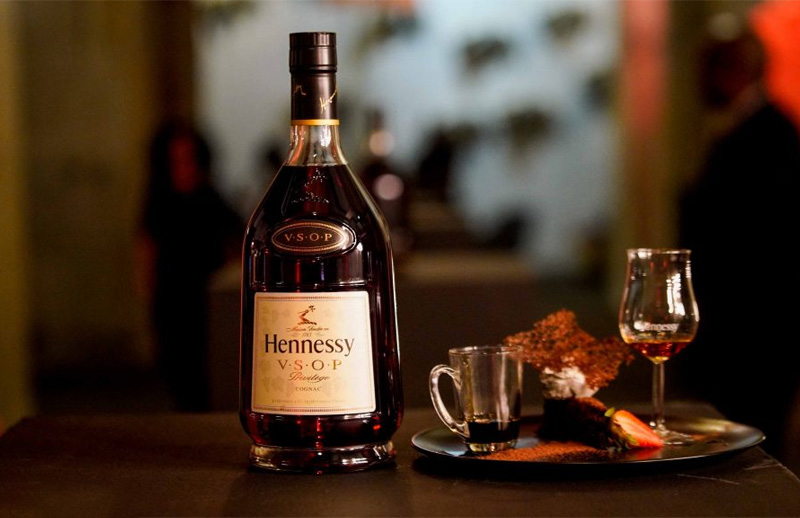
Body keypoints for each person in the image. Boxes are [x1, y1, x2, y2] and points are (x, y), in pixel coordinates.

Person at [678, 20, 800, 459]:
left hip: (756, 330)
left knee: (754, 451)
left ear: (732, 71)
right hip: (737, 325)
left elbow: (762, 240)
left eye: (707, 68)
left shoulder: (773, 133)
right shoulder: (742, 126)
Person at [138, 120, 243, 412]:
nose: (183, 166)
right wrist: (147, 291)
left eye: (188, 157)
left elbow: (236, 237)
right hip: (171, 295)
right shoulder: (159, 199)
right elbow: (147, 247)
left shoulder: (210, 197)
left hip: (205, 296)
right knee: (176, 365)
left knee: (205, 365)